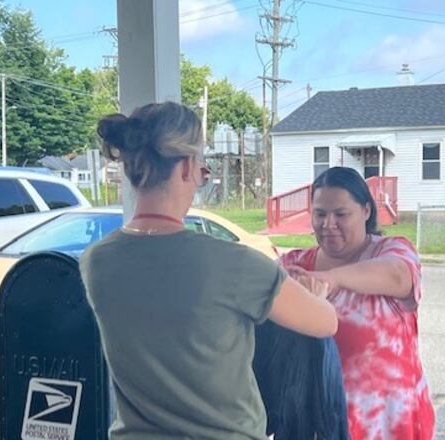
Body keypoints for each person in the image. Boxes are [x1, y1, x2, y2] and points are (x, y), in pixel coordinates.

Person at [79, 102, 338, 440]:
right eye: (203, 167)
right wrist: (314, 294)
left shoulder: (96, 261)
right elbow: (325, 322)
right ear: (187, 166)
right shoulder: (235, 263)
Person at [282, 167, 435, 440]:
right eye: (320, 214)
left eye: (341, 214)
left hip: (390, 424)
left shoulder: (392, 250)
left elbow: (398, 275)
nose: (328, 224)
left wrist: (332, 279)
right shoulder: (294, 266)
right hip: (321, 424)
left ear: (366, 211)